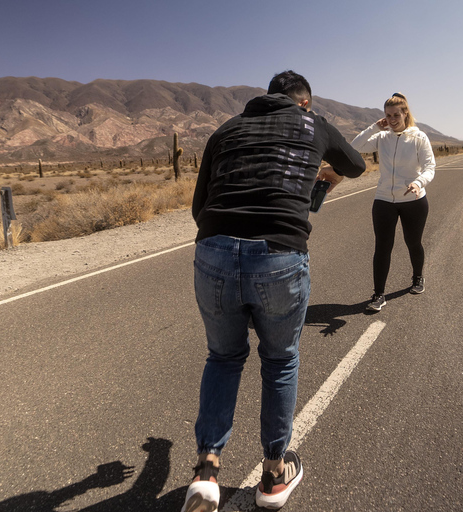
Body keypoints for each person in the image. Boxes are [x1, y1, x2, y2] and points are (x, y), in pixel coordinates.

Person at [182, 70, 366, 512]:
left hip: (214, 252)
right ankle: (273, 474)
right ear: (304, 102)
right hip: (279, 255)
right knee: (280, 359)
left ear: (265, 99)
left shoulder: (225, 129)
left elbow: (197, 207)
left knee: (223, 358)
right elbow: (357, 165)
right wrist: (329, 175)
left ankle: (207, 472)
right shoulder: (313, 123)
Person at [351, 93, 436, 311]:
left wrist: (418, 182)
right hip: (384, 200)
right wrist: (374, 128)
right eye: (388, 115)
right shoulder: (382, 137)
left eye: (396, 114)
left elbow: (429, 167)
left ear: (405, 113)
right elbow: (355, 147)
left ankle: (418, 277)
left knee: (413, 242)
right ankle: (378, 295)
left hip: (413, 199)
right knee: (382, 247)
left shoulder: (419, 138)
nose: (392, 119)